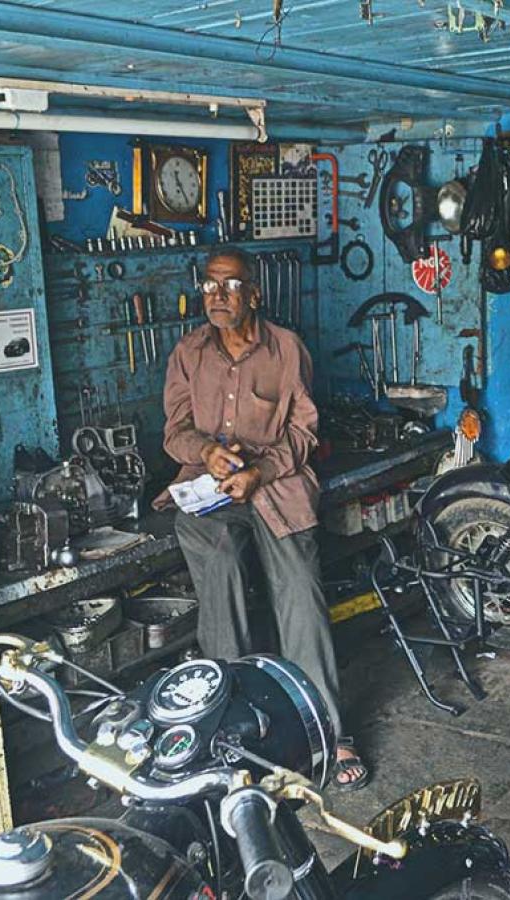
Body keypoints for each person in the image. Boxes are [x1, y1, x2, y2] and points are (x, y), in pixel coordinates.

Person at [158, 246, 368, 790]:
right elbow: (173, 432)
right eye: (209, 285)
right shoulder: (188, 353)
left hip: (275, 487)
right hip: (209, 492)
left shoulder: (286, 350)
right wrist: (206, 453)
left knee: (300, 591)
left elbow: (303, 433)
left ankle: (330, 733)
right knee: (221, 571)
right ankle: (228, 733)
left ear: (254, 294)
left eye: (230, 286)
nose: (218, 296)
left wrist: (261, 470)